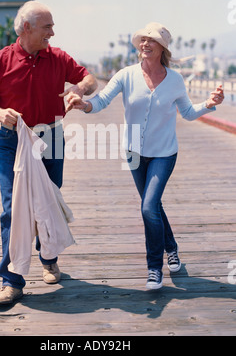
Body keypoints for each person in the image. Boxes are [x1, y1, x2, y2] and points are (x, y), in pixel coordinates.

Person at [66, 22, 224, 290]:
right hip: (134, 153)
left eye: (151, 40)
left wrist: (209, 104)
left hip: (164, 153)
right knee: (154, 207)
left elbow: (186, 112)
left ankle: (154, 268)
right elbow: (102, 100)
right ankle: (171, 247)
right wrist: (85, 105)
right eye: (142, 40)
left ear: (162, 48)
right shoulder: (126, 75)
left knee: (149, 207)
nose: (145, 44)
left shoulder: (175, 80)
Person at [0, 1, 97, 305]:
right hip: (13, 141)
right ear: (27, 28)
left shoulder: (57, 57)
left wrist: (79, 89)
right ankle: (11, 280)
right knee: (11, 210)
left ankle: (48, 257)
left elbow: (89, 80)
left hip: (51, 136)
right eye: (47, 27)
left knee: (50, 201)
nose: (52, 33)